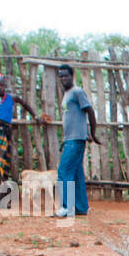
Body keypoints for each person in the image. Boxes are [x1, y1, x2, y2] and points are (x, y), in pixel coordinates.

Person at [0, 74, 47, 181]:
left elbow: (25, 105)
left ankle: (1, 192)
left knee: (1, 161)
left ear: (5, 86)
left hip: (4, 133)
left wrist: (36, 117)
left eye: (2, 85)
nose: (0, 87)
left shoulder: (12, 98)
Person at [53, 65, 100, 218]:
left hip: (76, 139)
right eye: (60, 76)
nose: (63, 79)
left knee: (64, 171)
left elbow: (90, 111)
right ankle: (80, 207)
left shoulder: (77, 92)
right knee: (77, 173)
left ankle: (67, 207)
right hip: (70, 139)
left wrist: (92, 133)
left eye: (65, 76)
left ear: (71, 76)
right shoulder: (67, 94)